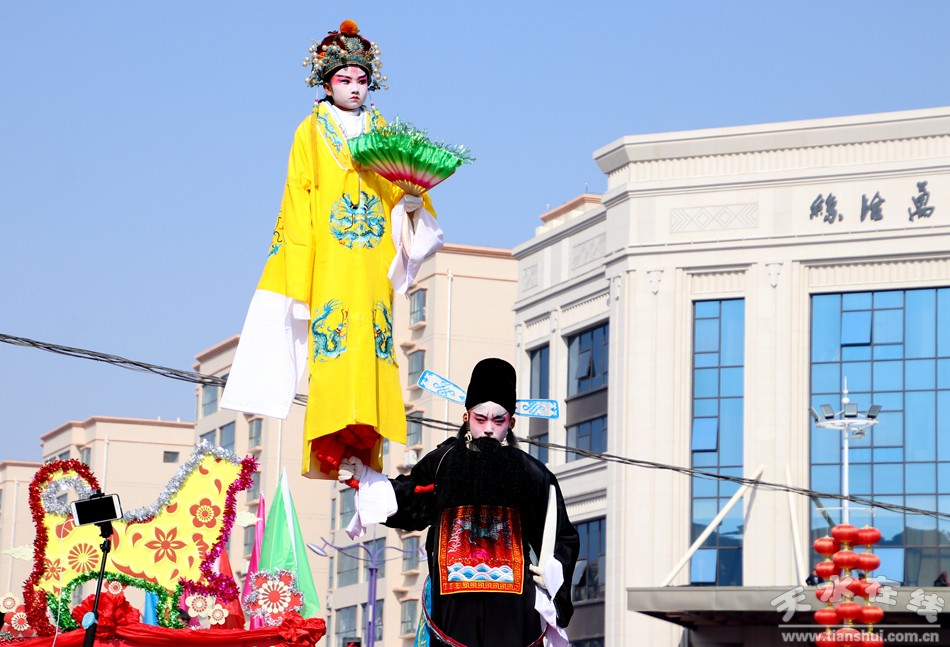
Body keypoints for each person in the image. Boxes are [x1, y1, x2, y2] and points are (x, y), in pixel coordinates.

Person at [221, 19, 442, 479]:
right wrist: (300, 277)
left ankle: (366, 449)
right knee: (332, 349)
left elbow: (403, 186)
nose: (355, 88)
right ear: (327, 84)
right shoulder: (309, 132)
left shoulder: (385, 133)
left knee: (374, 348)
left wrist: (413, 204)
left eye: (362, 80)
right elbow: (296, 201)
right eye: (345, 79)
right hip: (329, 260)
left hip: (374, 260)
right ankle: (332, 449)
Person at [339, 358, 580, 647]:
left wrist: (554, 571)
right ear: (466, 417)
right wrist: (365, 479)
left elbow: (562, 535)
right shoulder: (442, 464)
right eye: (480, 419)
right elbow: (409, 499)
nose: (488, 429)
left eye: (498, 421)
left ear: (511, 423)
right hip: (452, 609)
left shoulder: (533, 474)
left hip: (512, 612)